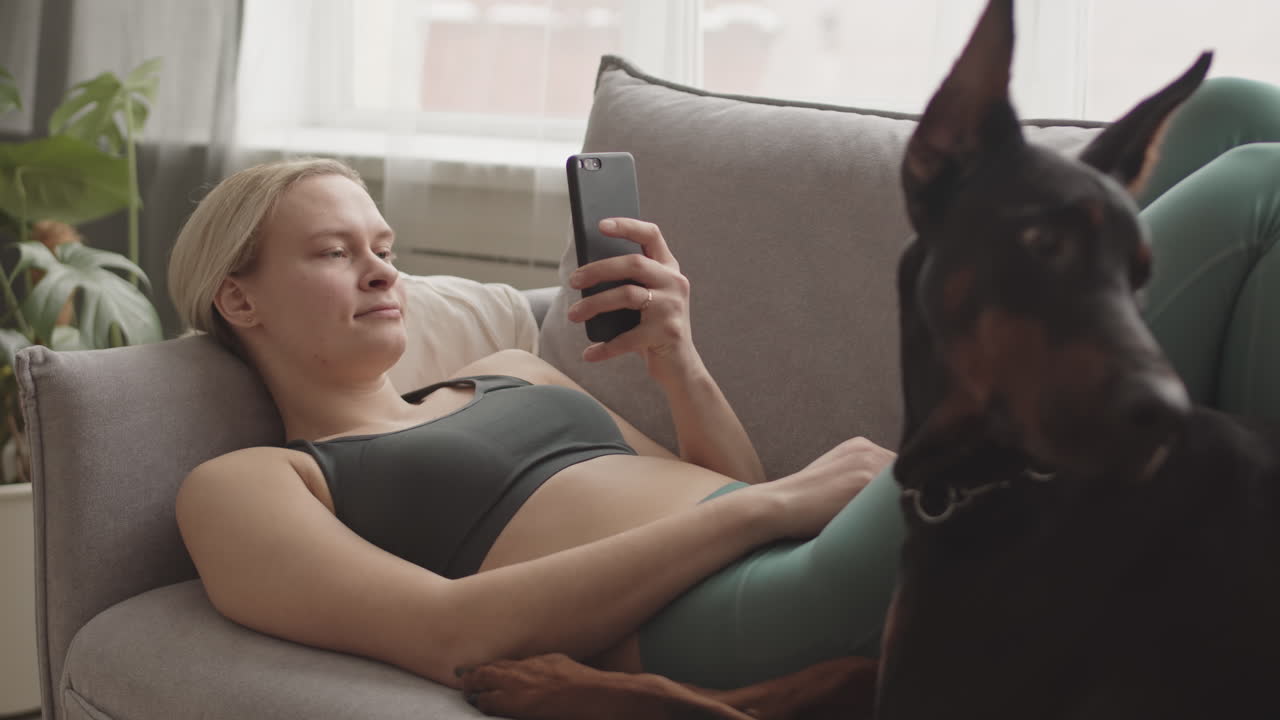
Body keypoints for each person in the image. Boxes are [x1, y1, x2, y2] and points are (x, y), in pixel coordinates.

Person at [167, 75, 1280, 694]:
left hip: (792, 548)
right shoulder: (251, 483)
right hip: (719, 624)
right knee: (1254, 185)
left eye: (385, 242)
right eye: (331, 251)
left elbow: (715, 492)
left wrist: (676, 357)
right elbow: (450, 634)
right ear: (240, 299)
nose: (380, 267)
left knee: (1230, 114)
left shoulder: (503, 367)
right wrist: (775, 503)